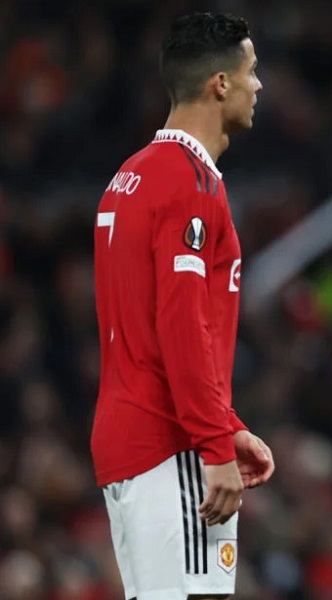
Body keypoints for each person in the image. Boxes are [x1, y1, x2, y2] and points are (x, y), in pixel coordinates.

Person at [91, 12, 273, 600]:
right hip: (168, 441)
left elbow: (148, 329)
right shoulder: (189, 184)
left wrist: (228, 426)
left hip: (138, 433)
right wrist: (214, 445)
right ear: (220, 83)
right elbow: (180, 325)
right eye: (251, 71)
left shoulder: (131, 175)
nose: (258, 85)